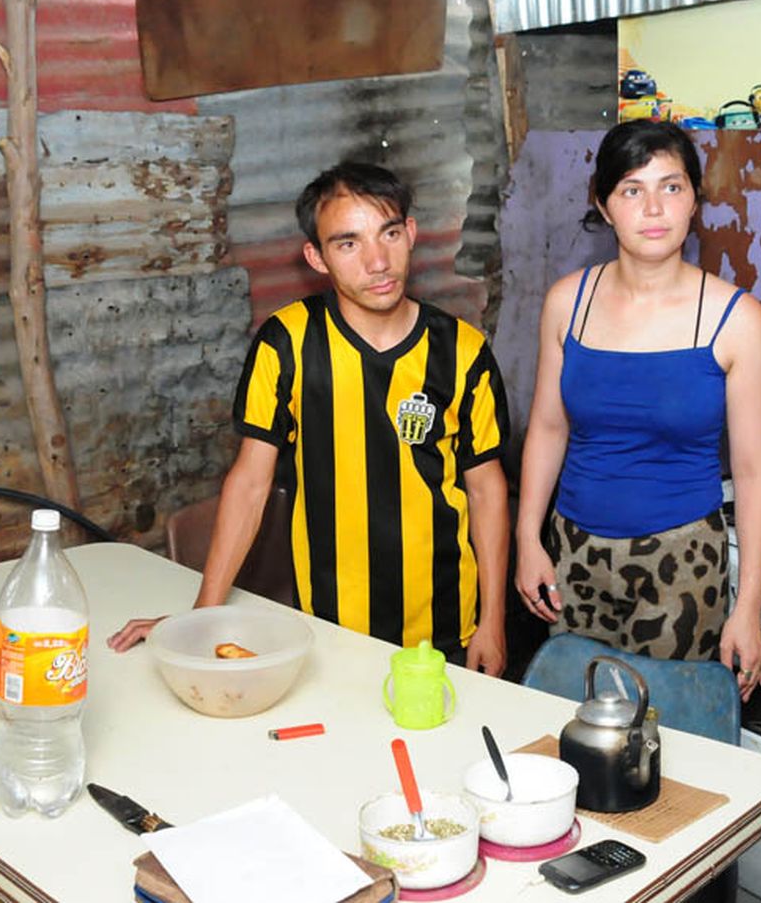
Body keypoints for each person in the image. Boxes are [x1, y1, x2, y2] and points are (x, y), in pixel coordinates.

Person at [109, 162, 512, 675]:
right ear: (316, 257)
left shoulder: (463, 351)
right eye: (348, 244)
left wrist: (492, 622)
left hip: (445, 633)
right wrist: (200, 620)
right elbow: (251, 484)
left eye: (389, 234)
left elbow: (486, 490)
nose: (377, 261)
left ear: (410, 234)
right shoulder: (287, 344)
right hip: (326, 631)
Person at [513, 120, 761, 702]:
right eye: (632, 190)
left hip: (681, 563)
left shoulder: (737, 320)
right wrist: (528, 538)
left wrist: (749, 606)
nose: (654, 208)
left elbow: (756, 474)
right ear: (604, 206)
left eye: (672, 187)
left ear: (695, 201)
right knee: (576, 725)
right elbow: (549, 428)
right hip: (574, 552)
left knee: (667, 740)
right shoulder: (567, 302)